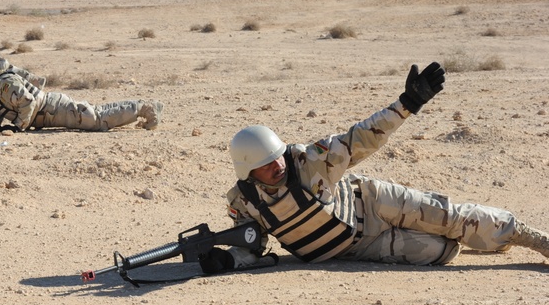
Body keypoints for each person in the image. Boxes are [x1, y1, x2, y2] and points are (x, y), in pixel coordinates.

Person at [219, 61, 549, 269]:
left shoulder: (309, 162)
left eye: (276, 156)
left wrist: (407, 104)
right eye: (266, 165)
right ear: (249, 172)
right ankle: (492, 239)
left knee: (449, 218)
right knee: (443, 251)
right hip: (358, 247)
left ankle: (532, 239)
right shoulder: (244, 201)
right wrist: (225, 259)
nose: (277, 165)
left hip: (373, 202)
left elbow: (359, 138)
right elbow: (253, 247)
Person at [0, 50, 162, 132]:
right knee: (97, 113)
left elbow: (28, 102)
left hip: (54, 109)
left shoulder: (4, 83)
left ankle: (145, 108)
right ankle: (141, 106)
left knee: (98, 121)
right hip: (49, 113)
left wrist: (18, 127)